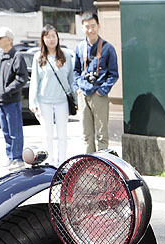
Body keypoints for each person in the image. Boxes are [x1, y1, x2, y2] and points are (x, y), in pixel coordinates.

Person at [73, 12, 119, 154]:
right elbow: (76, 71)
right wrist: (77, 88)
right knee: (86, 134)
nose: (90, 30)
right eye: (87, 27)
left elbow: (114, 74)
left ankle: (103, 164)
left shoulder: (107, 48)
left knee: (101, 134)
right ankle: (89, 166)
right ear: (82, 28)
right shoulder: (80, 47)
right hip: (83, 94)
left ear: (98, 26)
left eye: (93, 26)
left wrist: (103, 90)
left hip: (99, 93)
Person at [29, 25, 75, 164]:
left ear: (58, 37)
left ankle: (62, 162)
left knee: (62, 135)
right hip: (44, 102)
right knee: (47, 135)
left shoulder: (66, 55)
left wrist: (76, 101)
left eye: (53, 36)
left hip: (62, 101)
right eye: (48, 36)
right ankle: (50, 163)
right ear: (43, 39)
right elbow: (34, 81)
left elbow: (71, 79)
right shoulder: (38, 56)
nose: (51, 39)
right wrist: (33, 102)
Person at [0, 27, 30, 167]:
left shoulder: (17, 56)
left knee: (15, 130)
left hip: (11, 100)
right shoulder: (1, 57)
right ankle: (10, 156)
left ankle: (18, 158)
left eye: (0, 38)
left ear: (9, 39)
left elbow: (22, 78)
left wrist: (7, 90)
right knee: (6, 130)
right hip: (1, 100)